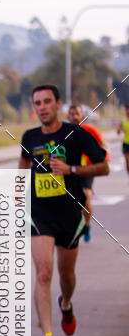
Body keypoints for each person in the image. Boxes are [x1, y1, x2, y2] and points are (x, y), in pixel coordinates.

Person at [19, 85, 108, 336]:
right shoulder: (30, 137)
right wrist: (16, 197)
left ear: (57, 104)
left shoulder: (76, 134)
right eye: (37, 103)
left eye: (47, 102)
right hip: (39, 215)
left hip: (69, 214)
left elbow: (103, 166)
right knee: (43, 273)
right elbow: (22, 168)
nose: (42, 107)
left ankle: (66, 303)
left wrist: (71, 169)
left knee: (66, 275)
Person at [66, 103, 109, 242]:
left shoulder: (90, 130)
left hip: (87, 169)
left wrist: (102, 158)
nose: (74, 117)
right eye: (71, 114)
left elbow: (102, 145)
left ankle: (87, 224)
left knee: (85, 197)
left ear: (82, 116)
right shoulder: (64, 132)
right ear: (67, 116)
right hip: (70, 170)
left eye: (77, 114)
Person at [116, 103, 129, 177]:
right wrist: (119, 128)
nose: (127, 111)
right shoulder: (122, 120)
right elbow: (118, 133)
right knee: (127, 162)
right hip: (126, 143)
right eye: (126, 109)